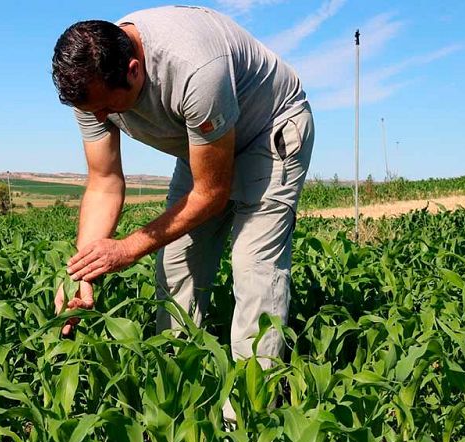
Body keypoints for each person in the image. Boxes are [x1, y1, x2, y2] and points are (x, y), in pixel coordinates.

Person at [50, 5, 314, 417]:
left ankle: (249, 418)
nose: (99, 118)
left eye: (105, 109)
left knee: (254, 268)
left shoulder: (193, 67)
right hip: (204, 145)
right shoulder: (92, 86)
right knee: (176, 263)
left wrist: (127, 248)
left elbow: (211, 193)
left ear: (134, 71)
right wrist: (82, 275)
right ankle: (177, 399)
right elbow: (104, 181)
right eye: (91, 111)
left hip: (267, 131)